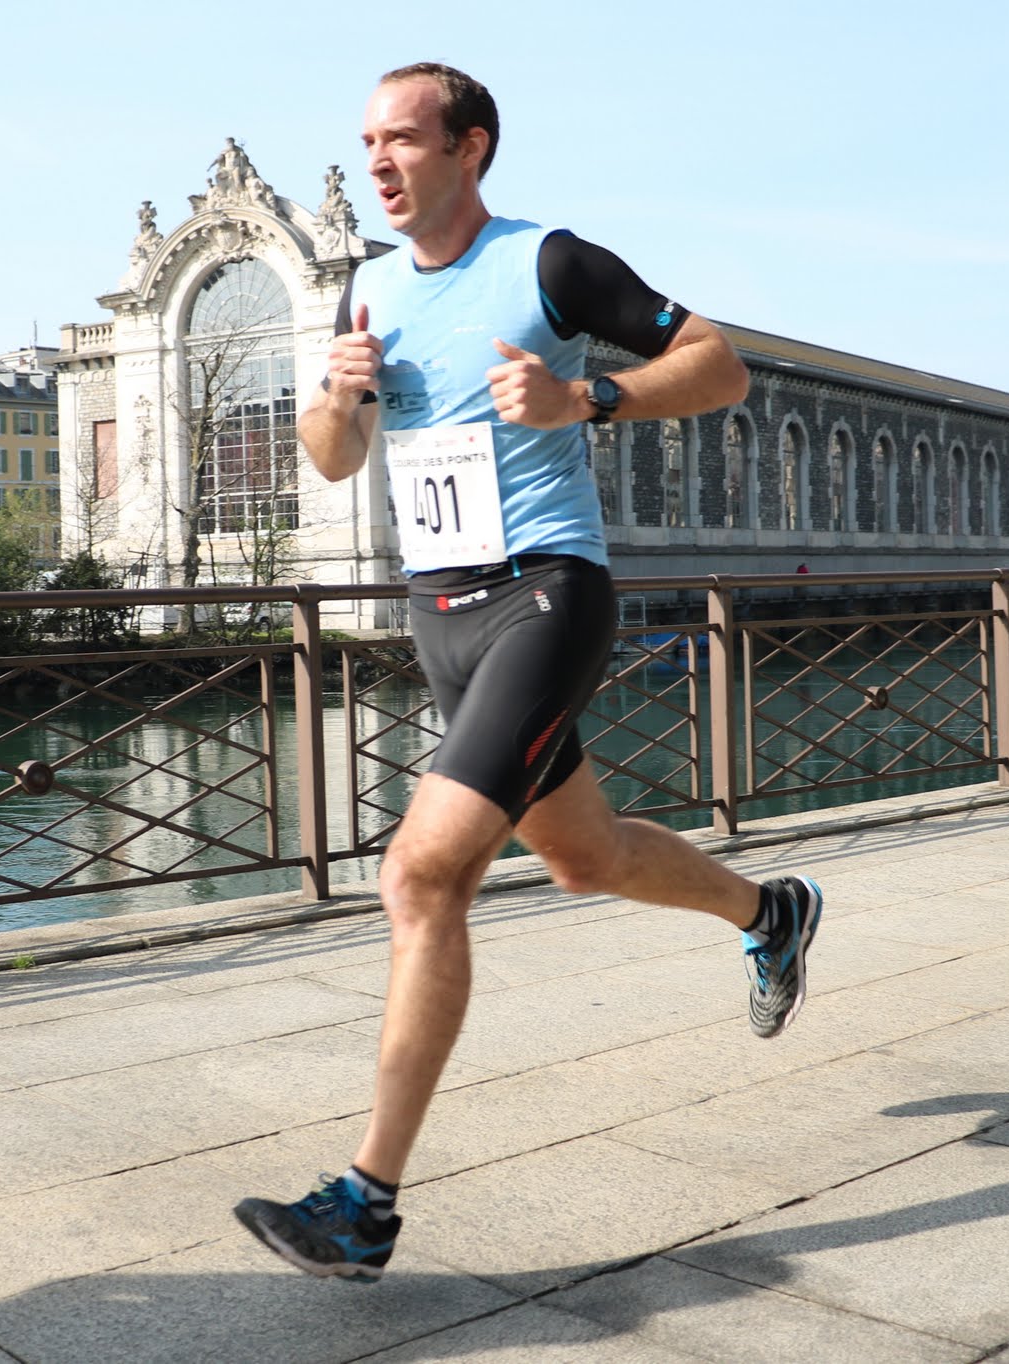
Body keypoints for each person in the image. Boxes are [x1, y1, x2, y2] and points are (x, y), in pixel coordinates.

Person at [233, 62, 824, 1283]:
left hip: (545, 594)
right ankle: (768, 911)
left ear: (470, 147)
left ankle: (364, 1204)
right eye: (368, 141)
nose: (379, 160)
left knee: (418, 874)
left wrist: (585, 396)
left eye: (403, 138)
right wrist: (337, 397)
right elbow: (332, 457)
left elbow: (719, 365)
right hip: (437, 611)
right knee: (582, 856)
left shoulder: (548, 263)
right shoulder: (368, 288)